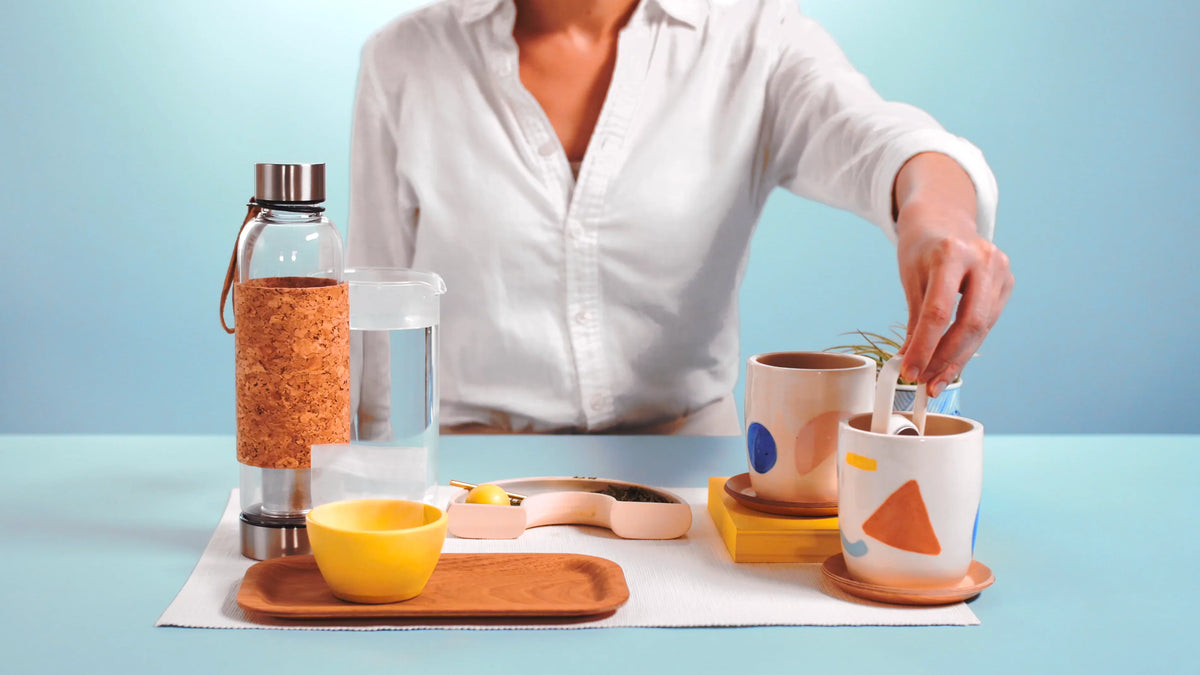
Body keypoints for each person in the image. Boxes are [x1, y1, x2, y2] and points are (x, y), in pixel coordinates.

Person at [346, 0, 1013, 436]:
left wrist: (934, 217)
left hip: (693, 474)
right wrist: (366, 491)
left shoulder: (757, 38)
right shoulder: (406, 60)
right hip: (472, 477)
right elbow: (372, 323)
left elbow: (874, 136)